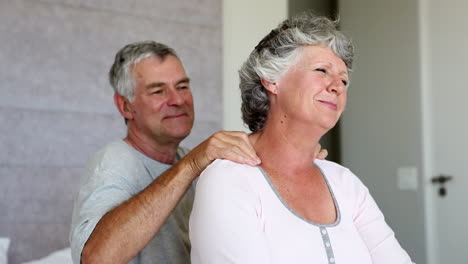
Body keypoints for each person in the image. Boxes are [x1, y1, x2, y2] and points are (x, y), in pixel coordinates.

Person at [69, 40, 329, 264]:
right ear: (125, 107)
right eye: (159, 90)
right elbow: (96, 258)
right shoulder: (115, 162)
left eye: (182, 86)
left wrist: (296, 159)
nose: (178, 99)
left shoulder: (190, 159)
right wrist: (193, 164)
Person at [189, 13, 415, 264]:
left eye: (344, 80)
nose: (337, 86)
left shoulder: (345, 183)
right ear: (272, 80)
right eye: (322, 70)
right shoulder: (229, 179)